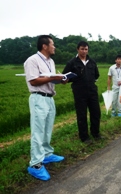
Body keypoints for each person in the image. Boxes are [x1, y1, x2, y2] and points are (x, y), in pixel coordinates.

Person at [24, 35, 64, 181]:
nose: (54, 47)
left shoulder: (51, 61)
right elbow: (34, 81)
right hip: (38, 98)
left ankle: (46, 154)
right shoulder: (32, 60)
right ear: (44, 46)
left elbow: (49, 79)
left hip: (49, 98)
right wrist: (54, 78)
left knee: (47, 129)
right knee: (38, 131)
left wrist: (61, 80)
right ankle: (35, 165)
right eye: (52, 44)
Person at [62, 41, 101, 143]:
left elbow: (96, 75)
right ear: (77, 49)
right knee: (82, 115)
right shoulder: (72, 63)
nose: (84, 51)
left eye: (86, 49)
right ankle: (84, 137)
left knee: (96, 112)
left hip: (92, 91)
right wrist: (67, 80)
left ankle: (95, 133)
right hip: (79, 92)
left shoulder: (92, 62)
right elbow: (64, 76)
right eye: (82, 49)